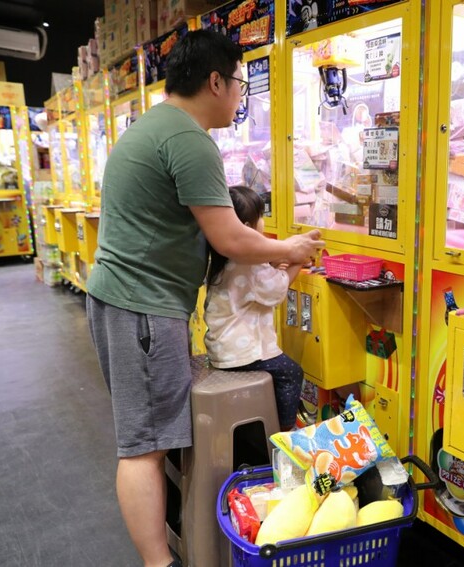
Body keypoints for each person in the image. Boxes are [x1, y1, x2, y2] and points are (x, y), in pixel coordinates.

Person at [85, 30, 324, 567]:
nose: (240, 95)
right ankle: (160, 562)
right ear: (215, 81)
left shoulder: (156, 123)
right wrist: (290, 248)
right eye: (238, 82)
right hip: (142, 307)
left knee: (149, 440)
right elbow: (230, 238)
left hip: (128, 301)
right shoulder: (189, 139)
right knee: (144, 448)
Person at [203, 185, 305, 432]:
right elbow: (276, 290)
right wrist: (298, 263)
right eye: (261, 217)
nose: (264, 222)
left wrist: (273, 263)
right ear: (246, 228)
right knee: (291, 372)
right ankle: (285, 430)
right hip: (243, 354)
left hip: (221, 350)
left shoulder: (221, 256)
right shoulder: (249, 263)